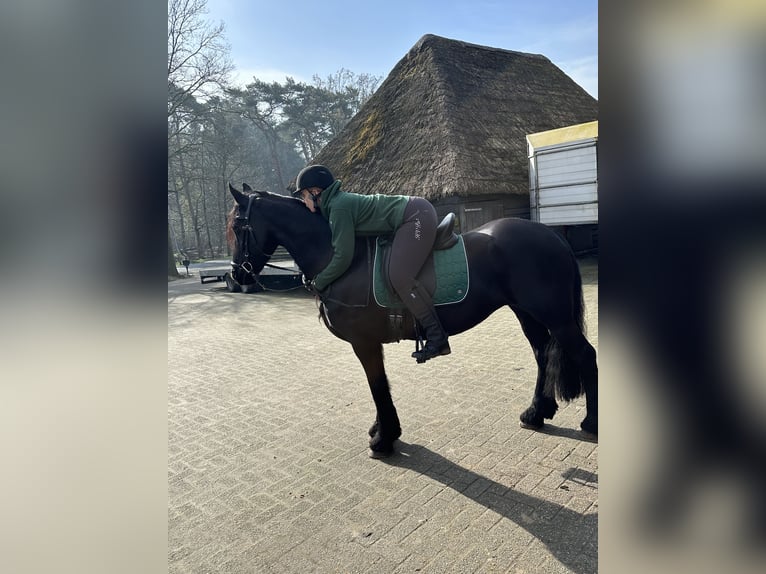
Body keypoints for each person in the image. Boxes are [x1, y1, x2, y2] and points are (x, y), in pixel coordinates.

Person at [293, 164, 451, 363]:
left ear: (316, 192)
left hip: (417, 217)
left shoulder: (339, 207)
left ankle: (437, 337)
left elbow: (343, 255)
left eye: (304, 196)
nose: (304, 202)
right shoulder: (336, 206)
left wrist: (320, 282)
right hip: (413, 214)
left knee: (399, 276)